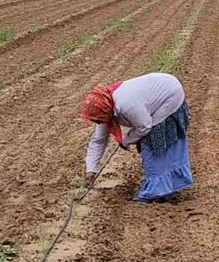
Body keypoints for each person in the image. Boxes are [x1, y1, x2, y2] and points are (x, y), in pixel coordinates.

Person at [82, 72, 193, 202]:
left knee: (152, 144)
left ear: (104, 111)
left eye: (97, 120)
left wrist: (127, 141)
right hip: (163, 88)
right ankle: (164, 187)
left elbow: (144, 126)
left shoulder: (126, 105)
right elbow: (98, 141)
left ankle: (154, 192)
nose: (98, 123)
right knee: (151, 142)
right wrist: (91, 170)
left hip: (170, 95)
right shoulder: (105, 108)